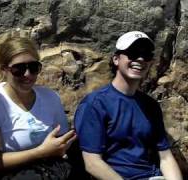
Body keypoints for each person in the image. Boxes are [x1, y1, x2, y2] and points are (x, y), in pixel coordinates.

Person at [74, 31, 183, 180]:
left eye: (146, 55)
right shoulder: (95, 104)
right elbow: (92, 163)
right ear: (116, 59)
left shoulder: (150, 105)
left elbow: (165, 157)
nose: (140, 59)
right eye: (133, 53)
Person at [0, 37, 77, 179]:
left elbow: (62, 140)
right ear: (3, 69)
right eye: (18, 69)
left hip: (50, 169)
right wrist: (41, 152)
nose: (27, 75)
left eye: (33, 68)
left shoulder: (50, 97)